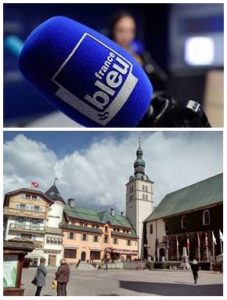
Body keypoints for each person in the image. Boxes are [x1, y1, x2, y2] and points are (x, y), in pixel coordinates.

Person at [109, 11, 168, 90]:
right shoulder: (107, 56)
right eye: (121, 30)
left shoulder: (141, 56)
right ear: (112, 31)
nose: (126, 36)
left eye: (131, 31)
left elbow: (161, 79)